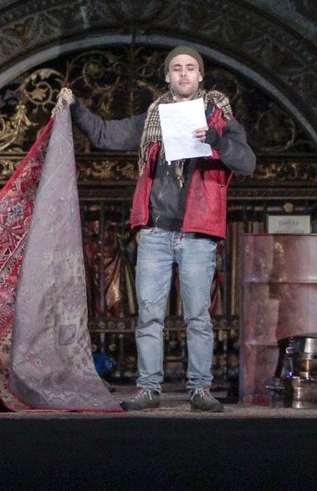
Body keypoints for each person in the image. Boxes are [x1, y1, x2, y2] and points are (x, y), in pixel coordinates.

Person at [55, 45, 256, 412]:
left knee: (198, 316)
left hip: (197, 233)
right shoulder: (155, 117)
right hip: (156, 232)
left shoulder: (218, 117)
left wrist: (216, 141)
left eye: (190, 68)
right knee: (149, 314)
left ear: (200, 76)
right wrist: (75, 108)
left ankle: (200, 389)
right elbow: (104, 135)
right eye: (176, 67)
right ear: (167, 76)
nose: (183, 74)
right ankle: (149, 388)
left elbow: (246, 162)